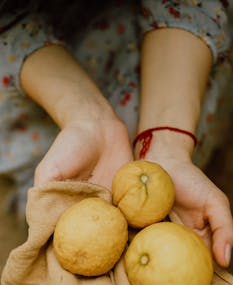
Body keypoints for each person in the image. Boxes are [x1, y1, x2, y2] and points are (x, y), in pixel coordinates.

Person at [0, 0, 233, 269]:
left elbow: (190, 4)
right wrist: (86, 117)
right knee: (63, 168)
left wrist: (168, 139)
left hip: (158, 50)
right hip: (29, 65)